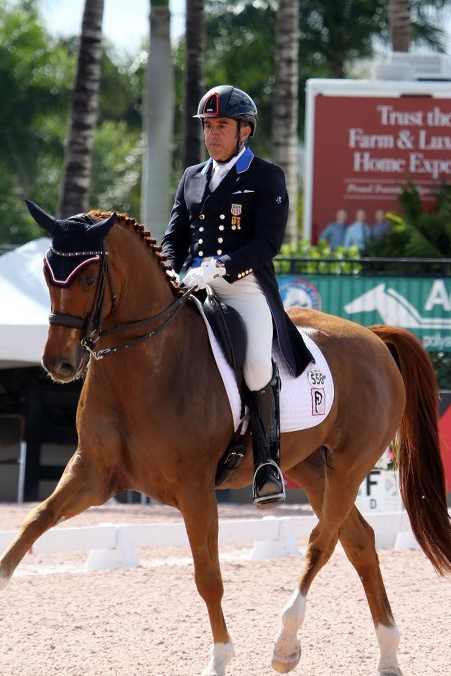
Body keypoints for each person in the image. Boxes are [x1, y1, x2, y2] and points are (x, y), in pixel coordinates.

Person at [161, 84, 313, 507]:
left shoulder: (266, 176)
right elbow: (174, 236)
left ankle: (267, 464)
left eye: (221, 125)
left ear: (244, 130)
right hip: (194, 283)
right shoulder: (192, 177)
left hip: (244, 286)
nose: (212, 133)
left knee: (255, 365)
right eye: (208, 126)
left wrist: (224, 265)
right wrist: (171, 268)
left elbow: (268, 242)